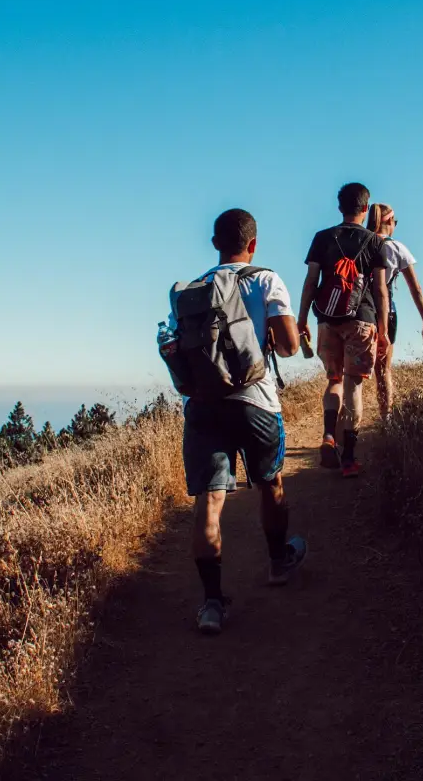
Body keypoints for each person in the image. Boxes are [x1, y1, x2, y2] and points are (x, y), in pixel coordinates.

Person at [164, 209, 307, 635]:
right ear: (254, 243)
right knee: (270, 483)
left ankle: (211, 604)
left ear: (214, 243)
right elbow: (288, 348)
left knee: (208, 503)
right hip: (256, 402)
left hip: (206, 405)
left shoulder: (192, 291)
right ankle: (278, 563)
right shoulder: (266, 280)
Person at [297, 183, 389, 478]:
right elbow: (380, 290)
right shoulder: (375, 242)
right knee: (353, 386)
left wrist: (301, 320)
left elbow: (311, 281)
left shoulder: (322, 238)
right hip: (362, 320)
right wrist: (384, 330)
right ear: (366, 208)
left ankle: (327, 436)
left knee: (333, 380)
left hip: (327, 320)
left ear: (340, 208)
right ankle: (348, 458)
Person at [367, 202, 423, 416]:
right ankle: (386, 419)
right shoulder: (396, 248)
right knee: (383, 370)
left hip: (359, 312)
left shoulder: (362, 243)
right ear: (388, 221)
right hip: (386, 312)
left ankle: (348, 424)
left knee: (352, 372)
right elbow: (416, 289)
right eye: (394, 222)